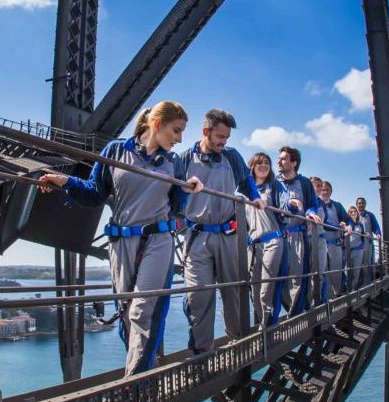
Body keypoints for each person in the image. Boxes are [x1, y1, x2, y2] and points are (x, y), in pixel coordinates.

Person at [38, 102, 203, 377]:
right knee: (127, 315)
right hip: (121, 243)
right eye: (177, 130)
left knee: (142, 311)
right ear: (158, 123)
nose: (180, 139)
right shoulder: (115, 151)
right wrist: (62, 180)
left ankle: (133, 382)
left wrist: (188, 188)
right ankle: (142, 375)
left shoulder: (173, 164)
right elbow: (94, 193)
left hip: (158, 241)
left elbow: (177, 207)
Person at [181, 109, 265, 354]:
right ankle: (202, 352)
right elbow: (174, 194)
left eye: (226, 137)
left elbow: (246, 181)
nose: (223, 142)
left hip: (228, 235)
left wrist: (256, 197)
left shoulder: (231, 156)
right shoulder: (185, 159)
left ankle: (238, 343)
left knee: (234, 291)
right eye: (220, 136)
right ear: (206, 131)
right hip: (196, 236)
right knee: (198, 295)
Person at [246, 152, 292, 326]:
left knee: (267, 289)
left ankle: (267, 330)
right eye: (259, 162)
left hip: (273, 241)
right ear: (252, 166)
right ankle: (263, 326)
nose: (264, 165)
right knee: (255, 289)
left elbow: (284, 201)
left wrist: (291, 204)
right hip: (253, 245)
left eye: (267, 162)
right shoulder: (244, 190)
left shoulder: (274, 186)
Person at [276, 146, 320, 316]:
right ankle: (282, 314)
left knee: (297, 276)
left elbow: (312, 204)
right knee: (276, 278)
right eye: (279, 158)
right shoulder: (274, 182)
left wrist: (310, 213)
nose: (279, 161)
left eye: (283, 159)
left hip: (297, 235)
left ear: (293, 163)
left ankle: (296, 315)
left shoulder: (304, 183)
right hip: (277, 236)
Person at [319, 181, 351, 295]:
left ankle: (339, 294)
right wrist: (338, 226)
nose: (325, 192)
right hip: (320, 243)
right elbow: (322, 222)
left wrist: (348, 226)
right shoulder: (316, 205)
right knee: (323, 272)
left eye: (327, 190)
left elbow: (348, 219)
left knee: (337, 272)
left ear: (331, 192)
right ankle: (327, 300)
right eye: (323, 189)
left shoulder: (337, 205)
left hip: (335, 244)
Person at [309, 176, 329, 304]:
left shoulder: (322, 203)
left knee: (319, 273)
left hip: (320, 240)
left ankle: (319, 302)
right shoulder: (305, 199)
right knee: (305, 274)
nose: (320, 188)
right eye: (317, 185)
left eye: (321, 186)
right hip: (306, 239)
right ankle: (306, 303)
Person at [356, 197, 382, 284]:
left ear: (365, 204)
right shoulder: (353, 214)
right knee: (357, 264)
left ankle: (367, 284)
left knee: (367, 264)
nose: (361, 204)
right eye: (359, 203)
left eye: (362, 203)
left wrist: (378, 234)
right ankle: (356, 285)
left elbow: (376, 227)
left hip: (367, 243)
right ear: (357, 204)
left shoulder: (370, 215)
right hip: (356, 243)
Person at [346, 206, 367, 290]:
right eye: (351, 212)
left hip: (358, 250)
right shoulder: (346, 223)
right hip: (347, 250)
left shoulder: (360, 225)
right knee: (346, 271)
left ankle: (353, 290)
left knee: (356, 271)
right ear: (348, 214)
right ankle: (346, 289)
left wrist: (363, 244)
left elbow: (363, 236)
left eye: (354, 211)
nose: (353, 213)